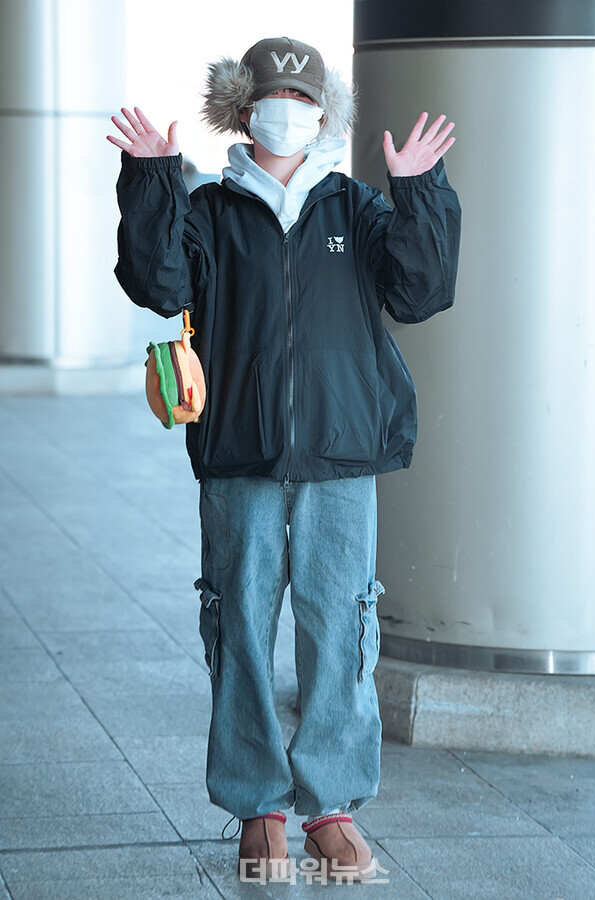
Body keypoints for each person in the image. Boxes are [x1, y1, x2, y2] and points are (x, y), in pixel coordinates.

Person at [108, 35, 461, 882]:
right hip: (240, 450)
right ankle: (258, 808)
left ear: (323, 113)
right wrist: (153, 179)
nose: (289, 111)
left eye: (304, 99)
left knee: (341, 626)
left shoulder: (356, 208)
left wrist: (417, 191)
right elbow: (156, 284)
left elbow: (422, 291)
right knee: (239, 622)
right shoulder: (208, 210)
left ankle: (331, 807)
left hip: (344, 451)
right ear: (243, 109)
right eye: (275, 96)